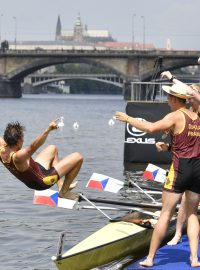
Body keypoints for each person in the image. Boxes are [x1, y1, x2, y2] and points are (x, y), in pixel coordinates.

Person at [115, 84, 200, 267]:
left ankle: (150, 258)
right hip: (197, 170)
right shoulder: (197, 116)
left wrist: (128, 118)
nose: (167, 100)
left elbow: (151, 128)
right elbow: (190, 145)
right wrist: (169, 147)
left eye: (169, 97)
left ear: (176, 99)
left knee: (165, 214)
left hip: (180, 170)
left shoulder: (176, 115)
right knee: (192, 214)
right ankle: (194, 258)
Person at [0, 119, 83, 200]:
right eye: (22, 138)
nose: (23, 140)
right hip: (42, 181)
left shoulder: (2, 148)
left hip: (34, 174)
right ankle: (63, 193)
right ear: (18, 142)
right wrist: (48, 130)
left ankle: (61, 185)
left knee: (52, 148)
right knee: (78, 157)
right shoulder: (18, 157)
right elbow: (32, 147)